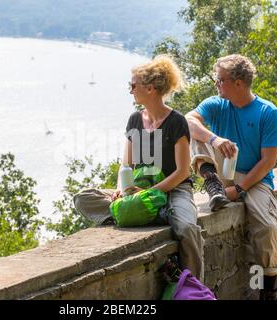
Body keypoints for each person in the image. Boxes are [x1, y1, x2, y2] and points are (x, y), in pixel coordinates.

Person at [73, 55, 205, 282]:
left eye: (133, 85)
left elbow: (182, 172)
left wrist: (151, 193)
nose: (131, 90)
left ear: (151, 88)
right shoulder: (135, 120)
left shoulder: (176, 122)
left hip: (172, 190)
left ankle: (194, 288)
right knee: (83, 198)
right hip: (138, 188)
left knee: (186, 228)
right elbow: (127, 164)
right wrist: (119, 189)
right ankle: (152, 214)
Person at [185, 54, 277, 300]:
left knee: (267, 227)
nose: (216, 85)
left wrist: (239, 189)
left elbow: (268, 162)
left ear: (238, 83)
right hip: (222, 172)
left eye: (220, 80)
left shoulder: (267, 111)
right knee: (196, 134)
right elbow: (187, 121)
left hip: (255, 179)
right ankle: (212, 185)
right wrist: (214, 139)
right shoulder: (216, 104)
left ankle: (266, 290)